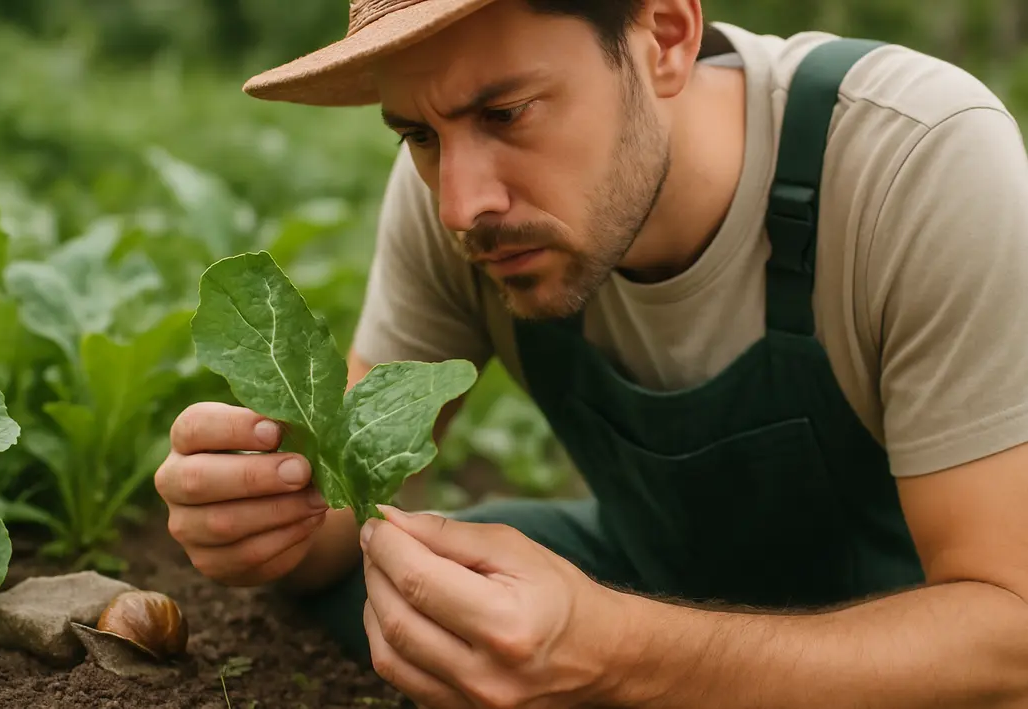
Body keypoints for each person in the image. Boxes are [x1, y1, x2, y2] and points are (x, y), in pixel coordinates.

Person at [154, 0, 1028, 706]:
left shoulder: (913, 158)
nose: (461, 204)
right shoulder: (463, 205)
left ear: (666, 39)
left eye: (505, 112)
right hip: (660, 580)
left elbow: (1009, 640)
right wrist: (266, 513)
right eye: (417, 135)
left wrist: (624, 658)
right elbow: (345, 523)